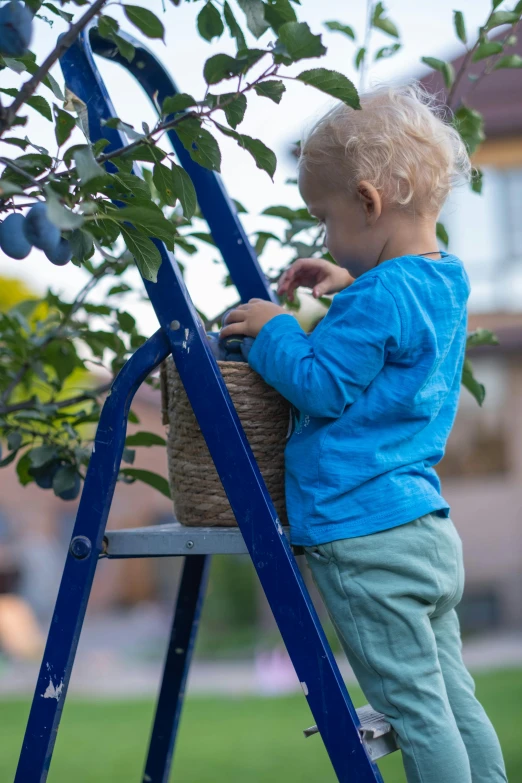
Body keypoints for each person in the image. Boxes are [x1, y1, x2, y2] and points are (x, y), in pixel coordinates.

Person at [220, 84, 507, 783]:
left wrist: (275, 328)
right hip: (423, 530)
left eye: (326, 218)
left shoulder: (381, 297)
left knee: (413, 712)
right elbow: (391, 325)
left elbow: (321, 382)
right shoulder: (445, 282)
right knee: (453, 698)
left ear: (371, 202)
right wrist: (348, 283)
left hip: (364, 533)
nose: (323, 235)